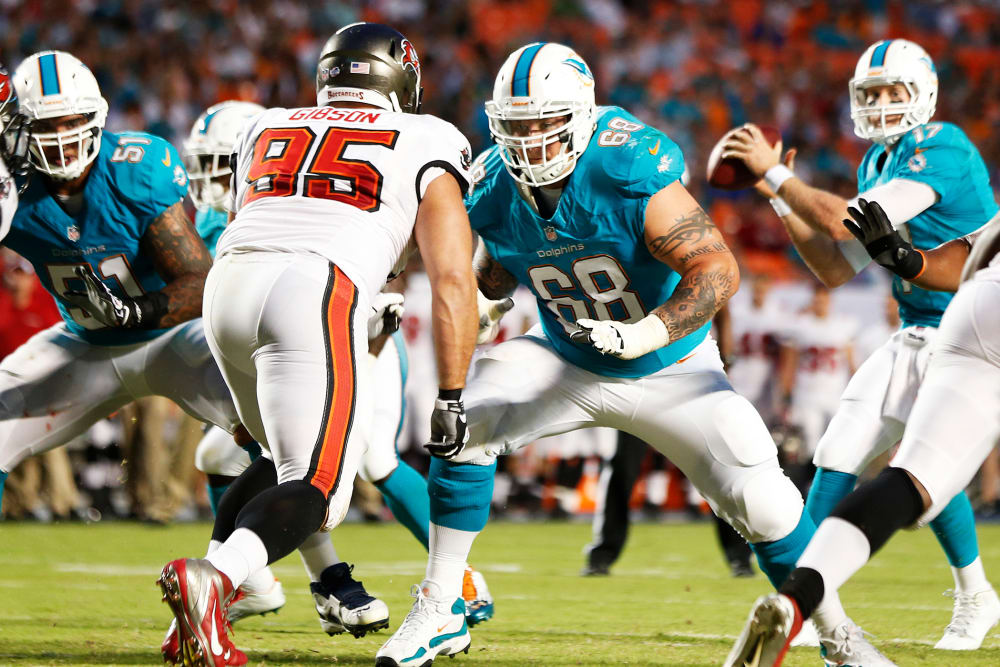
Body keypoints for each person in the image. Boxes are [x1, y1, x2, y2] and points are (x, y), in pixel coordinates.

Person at [376, 42, 887, 667]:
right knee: (464, 419)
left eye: (544, 122)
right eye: (516, 125)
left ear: (580, 116)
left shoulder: (623, 162)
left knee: (767, 503)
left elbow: (717, 268)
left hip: (671, 365)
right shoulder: (489, 184)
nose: (529, 140)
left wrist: (648, 331)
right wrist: (486, 300)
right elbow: (502, 257)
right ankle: (440, 605)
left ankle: (841, 639)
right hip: (566, 356)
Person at [157, 22, 478, 667]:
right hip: (313, 287)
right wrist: (451, 393)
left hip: (228, 284)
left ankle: (199, 614)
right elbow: (451, 277)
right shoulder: (428, 135)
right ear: (401, 80)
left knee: (275, 461)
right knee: (319, 489)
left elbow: (264, 214)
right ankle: (214, 580)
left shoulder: (267, 123)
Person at [722, 37, 1000, 649]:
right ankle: (810, 602)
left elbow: (847, 220)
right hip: (916, 331)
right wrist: (780, 199)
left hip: (973, 335)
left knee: (922, 465)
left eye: (891, 91)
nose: (878, 104)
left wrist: (777, 172)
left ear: (923, 93)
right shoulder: (878, 161)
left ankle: (974, 594)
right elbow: (834, 265)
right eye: (869, 94)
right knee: (839, 451)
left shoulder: (943, 145)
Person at [0, 51, 244, 523]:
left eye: (71, 123)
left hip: (171, 337)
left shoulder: (136, 168)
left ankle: (289, 561)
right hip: (85, 344)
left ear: (95, 118)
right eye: (47, 126)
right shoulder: (13, 188)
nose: (61, 139)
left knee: (268, 428)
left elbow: (200, 281)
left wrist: (134, 312)